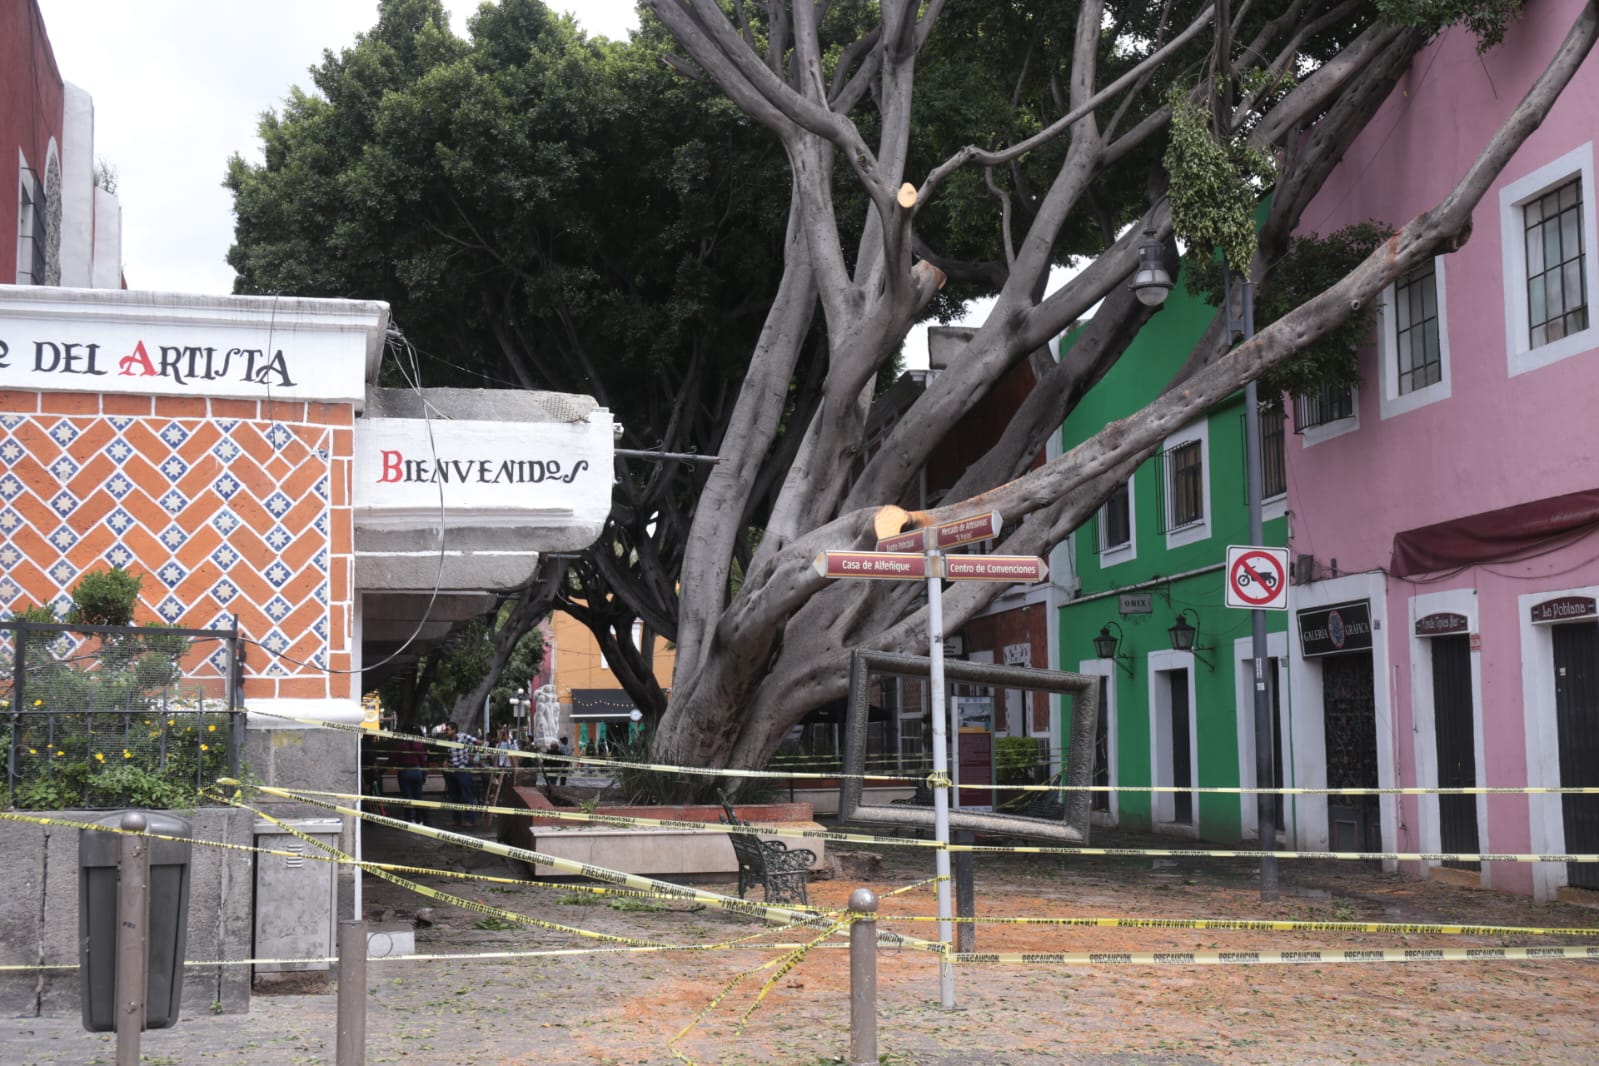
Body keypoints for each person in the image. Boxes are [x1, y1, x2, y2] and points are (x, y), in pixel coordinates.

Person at [442, 723, 482, 828]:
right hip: (452, 772)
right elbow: (448, 754)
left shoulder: (463, 737)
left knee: (467, 796)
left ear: (454, 730)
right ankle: (456, 820)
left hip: (463, 771)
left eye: (448, 729)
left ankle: (470, 820)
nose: (446, 731)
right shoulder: (448, 741)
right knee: (455, 797)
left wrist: (474, 757)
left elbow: (479, 743)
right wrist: (446, 761)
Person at [389, 732, 430, 825]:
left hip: (405, 773)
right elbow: (423, 761)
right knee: (418, 797)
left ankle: (410, 819)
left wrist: (380, 771)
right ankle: (419, 820)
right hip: (417, 772)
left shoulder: (400, 745)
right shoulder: (419, 745)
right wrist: (424, 775)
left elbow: (392, 759)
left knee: (407, 797)